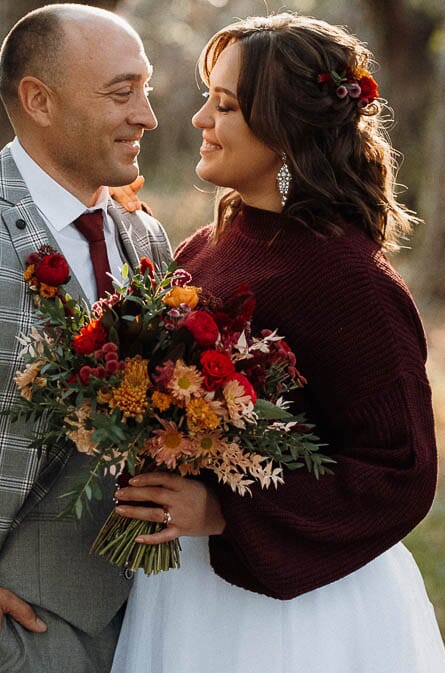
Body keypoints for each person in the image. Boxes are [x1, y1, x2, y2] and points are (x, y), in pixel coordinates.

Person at [110, 12, 445, 673]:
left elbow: (401, 472)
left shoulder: (347, 280)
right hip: (182, 590)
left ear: (285, 129)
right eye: (208, 99)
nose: (200, 120)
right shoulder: (210, 245)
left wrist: (224, 510)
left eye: (225, 105)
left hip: (294, 616)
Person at [0, 5, 171, 672]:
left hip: (152, 620)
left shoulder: (144, 234)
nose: (147, 116)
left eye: (145, 89)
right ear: (39, 100)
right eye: (121, 92)